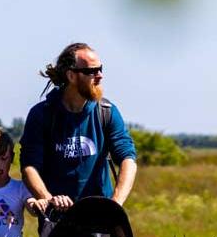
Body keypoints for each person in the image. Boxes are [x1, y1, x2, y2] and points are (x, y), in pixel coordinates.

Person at [19, 42, 138, 208]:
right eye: (91, 71)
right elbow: (29, 167)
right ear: (71, 76)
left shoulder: (106, 112)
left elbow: (128, 159)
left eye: (100, 69)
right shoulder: (42, 115)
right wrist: (49, 199)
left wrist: (115, 204)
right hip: (57, 221)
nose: (100, 76)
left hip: (100, 219)